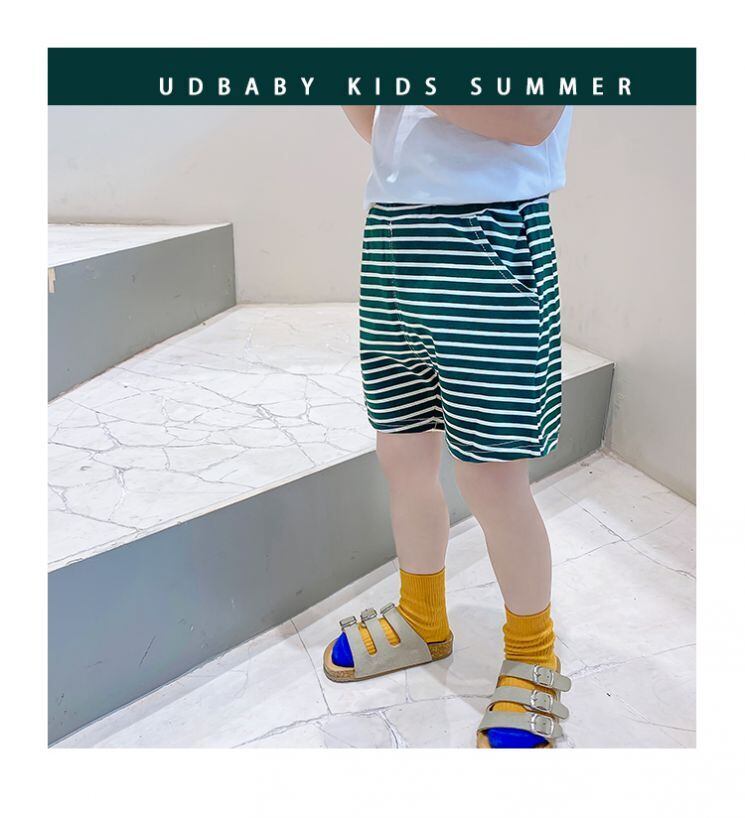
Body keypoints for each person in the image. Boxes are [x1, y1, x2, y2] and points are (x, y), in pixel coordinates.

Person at [323, 104, 573, 749]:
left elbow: (531, 119)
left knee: (492, 476)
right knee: (401, 452)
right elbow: (375, 124)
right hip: (392, 239)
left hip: (491, 235)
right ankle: (422, 614)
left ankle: (533, 650)